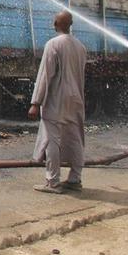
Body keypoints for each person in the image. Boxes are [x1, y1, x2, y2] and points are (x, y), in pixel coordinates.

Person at [28, 10, 87, 194]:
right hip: (76, 98)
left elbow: (45, 74)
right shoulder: (80, 47)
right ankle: (75, 179)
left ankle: (53, 182)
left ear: (55, 23)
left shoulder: (53, 44)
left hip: (56, 98)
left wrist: (35, 102)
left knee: (52, 139)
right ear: (71, 24)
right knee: (75, 137)